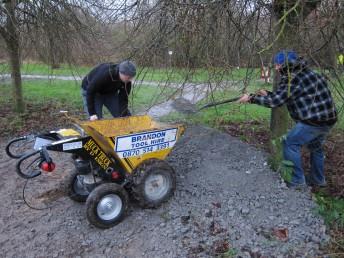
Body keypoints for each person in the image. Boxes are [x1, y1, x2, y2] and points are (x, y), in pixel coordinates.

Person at [238, 50, 337, 188]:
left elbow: (276, 102)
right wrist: (269, 94)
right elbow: (288, 96)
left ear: (284, 65)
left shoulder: (292, 79)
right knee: (316, 147)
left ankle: (297, 182)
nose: (276, 68)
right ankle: (318, 180)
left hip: (313, 121)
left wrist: (251, 98)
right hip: (328, 119)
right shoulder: (310, 73)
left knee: (290, 143)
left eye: (277, 65)